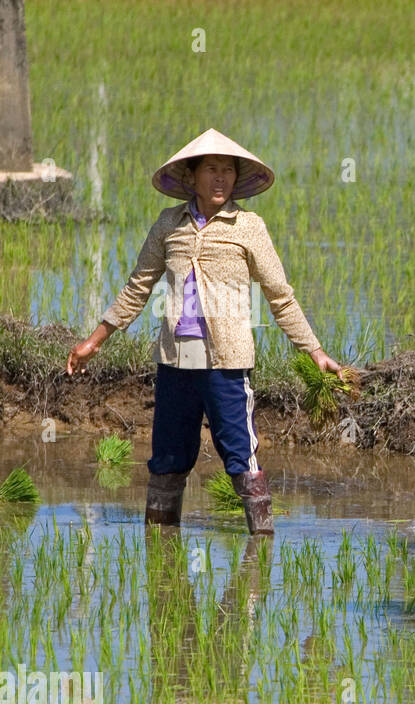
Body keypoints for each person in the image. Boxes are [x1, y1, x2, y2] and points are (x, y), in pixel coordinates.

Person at [65, 128, 342, 534]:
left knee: (241, 456)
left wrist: (314, 351)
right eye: (211, 170)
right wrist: (94, 341)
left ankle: (259, 555)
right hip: (175, 362)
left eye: (228, 171)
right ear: (192, 177)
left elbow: (280, 296)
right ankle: (160, 557)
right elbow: (137, 287)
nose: (220, 179)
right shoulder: (168, 225)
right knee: (167, 461)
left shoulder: (248, 226)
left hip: (226, 364)